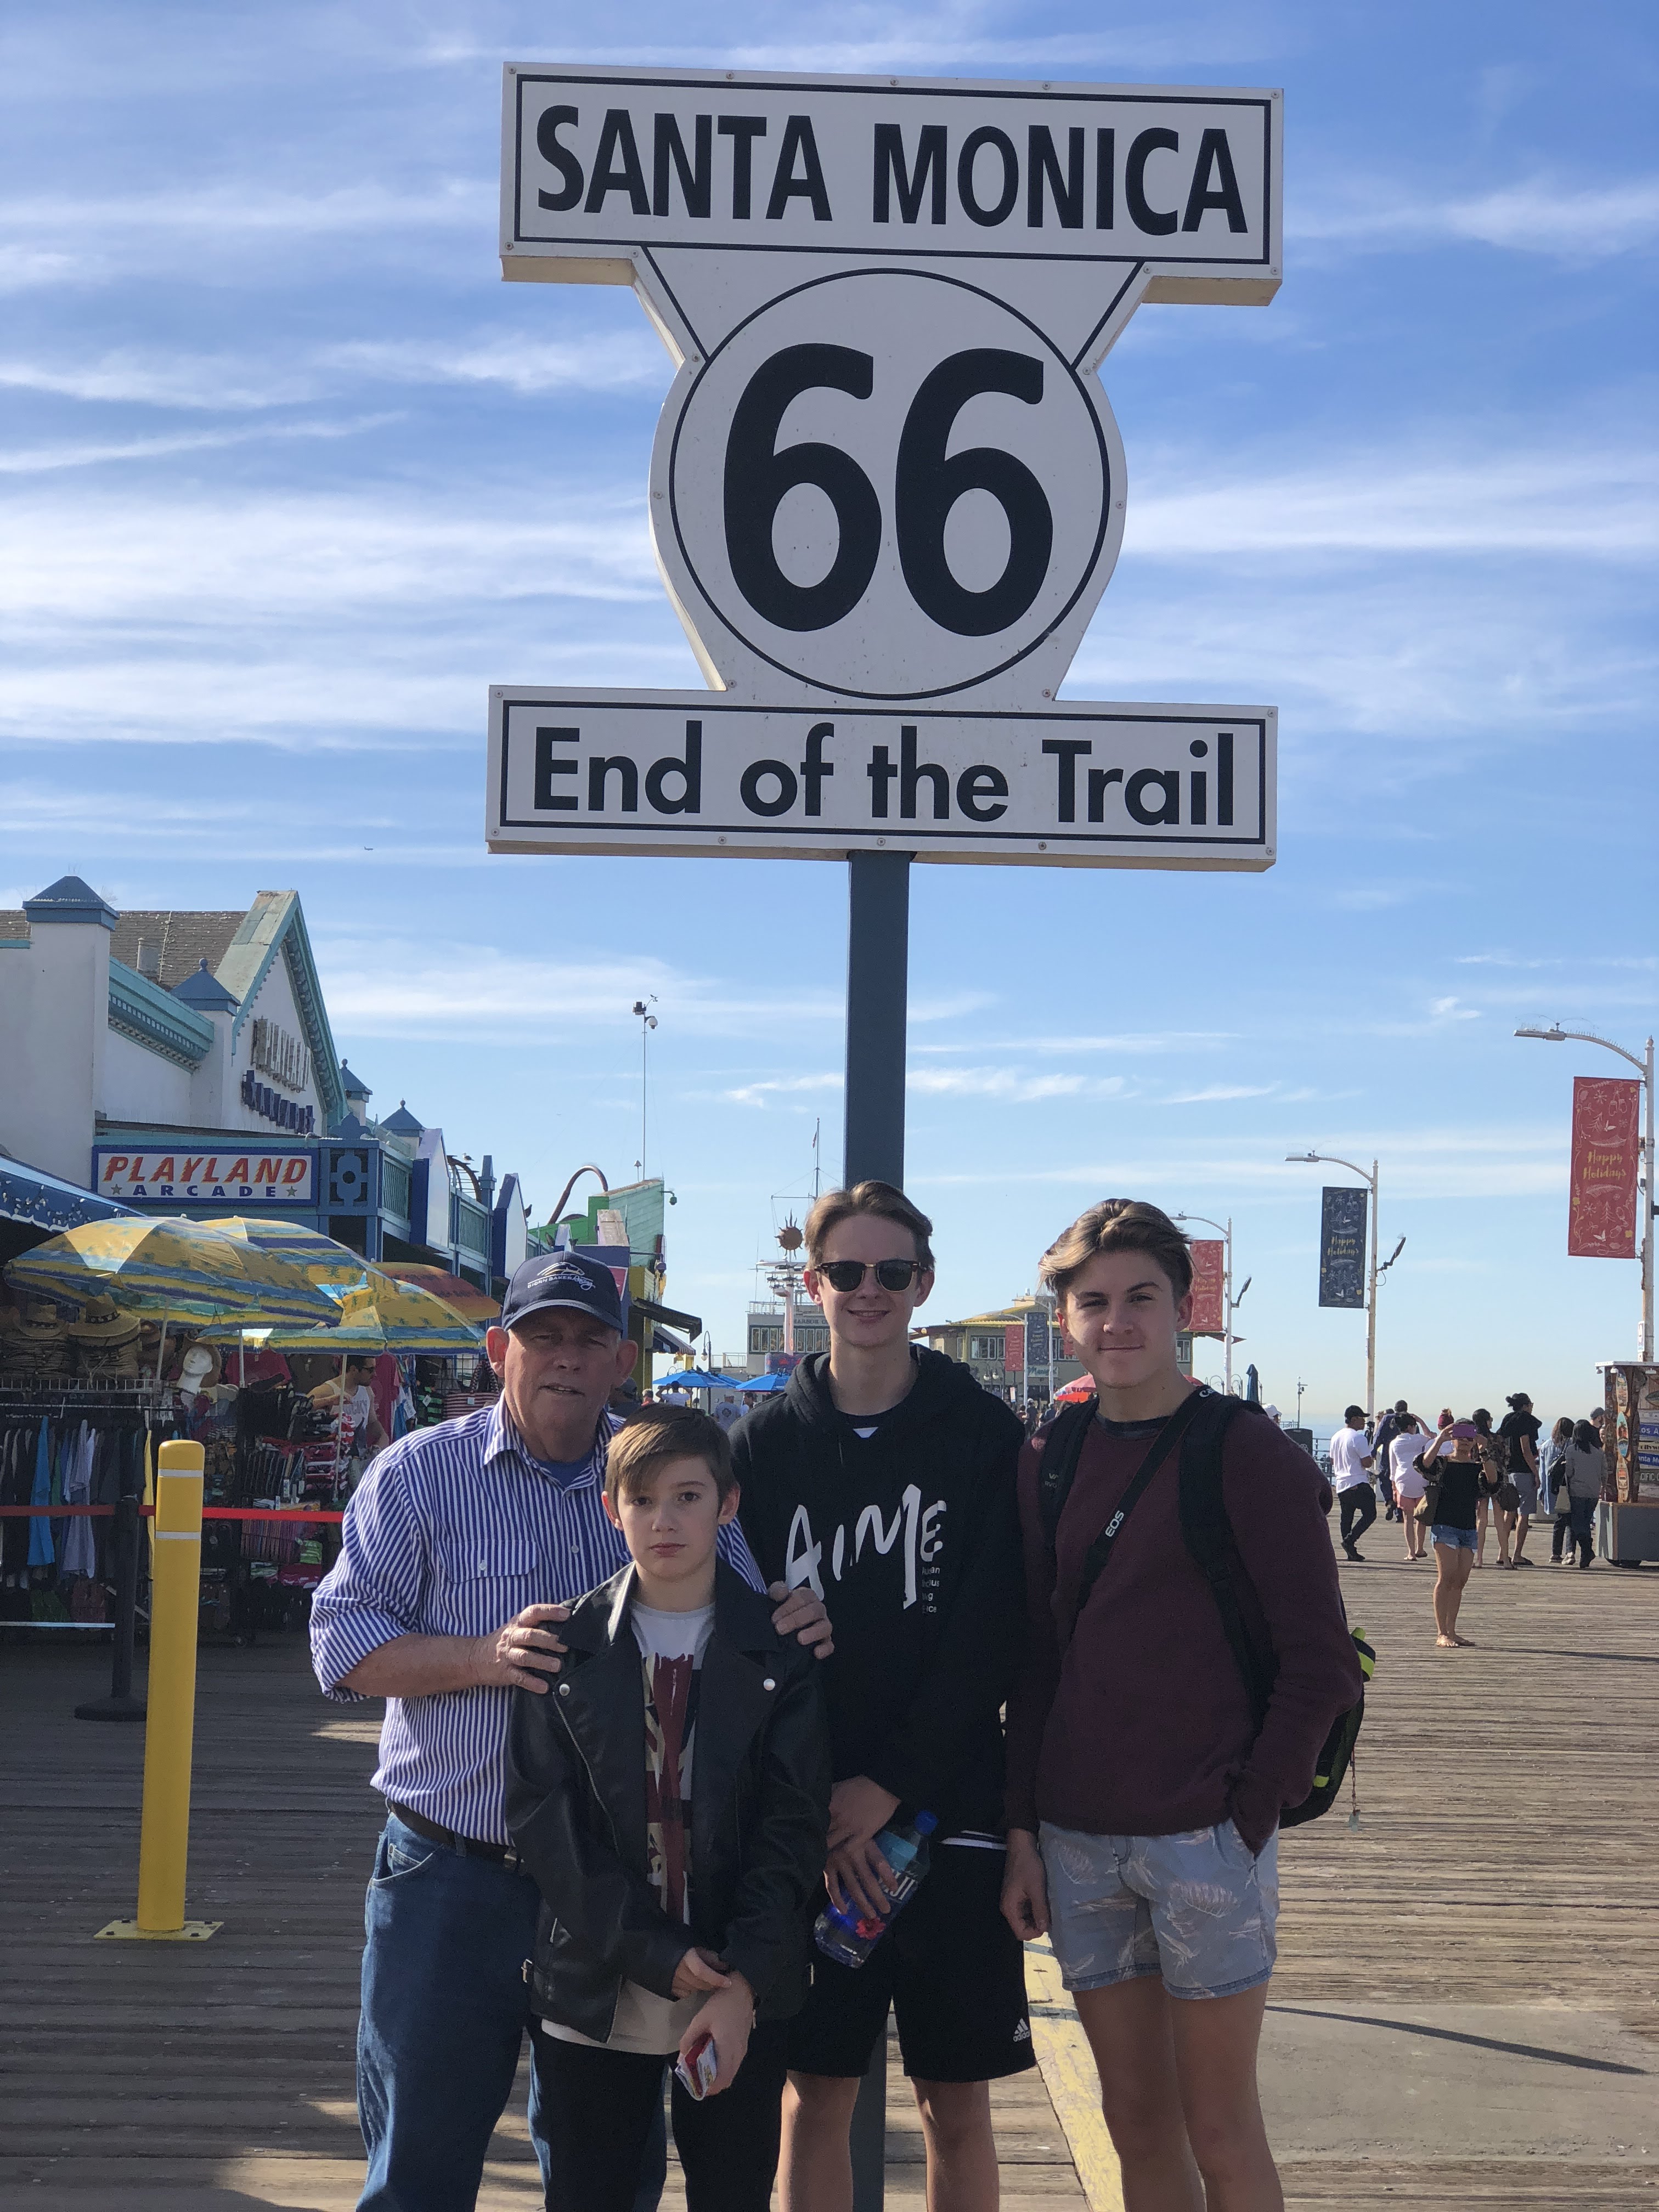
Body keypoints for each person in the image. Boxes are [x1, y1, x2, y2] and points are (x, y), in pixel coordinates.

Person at [308, 1250, 831, 2212]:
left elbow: (739, 1633)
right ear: (497, 1348)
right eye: (542, 1335)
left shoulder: (658, 1472)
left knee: (605, 2175)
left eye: (589, 1339)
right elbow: (341, 1648)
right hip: (454, 1876)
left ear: (620, 1360)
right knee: (418, 2161)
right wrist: (483, 1656)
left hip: (618, 1896)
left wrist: (791, 1616)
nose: (565, 1357)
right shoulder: (417, 1474)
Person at [1000, 1200, 1360, 2212]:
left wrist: (1247, 1812)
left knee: (1221, 2128)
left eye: (1140, 1298)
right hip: (1078, 1838)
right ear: (1064, 1319)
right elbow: (1036, 1659)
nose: (1116, 1322)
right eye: (1093, 1302)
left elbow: (1321, 1662)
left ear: (1183, 1309)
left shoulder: (1245, 1452)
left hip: (1207, 1835)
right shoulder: (1052, 1455)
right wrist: (1022, 1825)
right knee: (1135, 2123)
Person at [729, 1180, 1032, 2212]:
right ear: (811, 1284)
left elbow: (991, 1637)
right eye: (846, 1271)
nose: (868, 1290)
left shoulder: (983, 1434)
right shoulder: (760, 1446)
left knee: (956, 2101)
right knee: (813, 2094)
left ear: (923, 1283)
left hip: (952, 1815)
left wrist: (888, 1786)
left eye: (891, 1272)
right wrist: (820, 1807)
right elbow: (737, 1646)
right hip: (809, 1823)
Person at [505, 1404, 831, 2212]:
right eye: (643, 1499)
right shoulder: (564, 1648)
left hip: (735, 1978)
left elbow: (792, 1829)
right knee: (592, 2193)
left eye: (688, 1497)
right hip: (599, 1980)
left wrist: (743, 1978)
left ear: (728, 1504)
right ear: (610, 1509)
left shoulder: (781, 1650)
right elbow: (547, 1828)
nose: (665, 1520)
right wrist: (651, 1951)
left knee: (732, 2191)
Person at [1420, 1417, 1483, 1644]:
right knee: (1446, 1577)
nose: (1465, 1441)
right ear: (1453, 1438)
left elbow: (1494, 1482)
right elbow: (1424, 1466)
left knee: (1460, 1581)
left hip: (1468, 1528)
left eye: (1469, 1436)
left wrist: (1485, 1449)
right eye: (1460, 1436)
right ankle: (1442, 1633)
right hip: (1444, 1525)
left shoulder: (1478, 1467)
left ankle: (1452, 1631)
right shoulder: (1443, 1463)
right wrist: (1440, 1439)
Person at [1497, 1393, 1542, 1567]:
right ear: (1525, 1406)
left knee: (1509, 1512)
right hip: (1523, 1471)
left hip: (1508, 1471)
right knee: (1524, 1514)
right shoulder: (1526, 1421)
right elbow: (1526, 1449)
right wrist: (1535, 1473)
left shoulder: (1507, 1420)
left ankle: (1502, 1553)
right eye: (1531, 1404)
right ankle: (1517, 1554)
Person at [1329, 1406, 1376, 1560]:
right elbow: (1367, 1463)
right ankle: (1350, 1541)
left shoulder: (1336, 1437)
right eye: (1362, 1419)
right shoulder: (1358, 1438)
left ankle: (1350, 1552)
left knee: (1346, 1517)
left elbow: (1332, 1460)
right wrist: (1370, 1458)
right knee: (1370, 1514)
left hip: (1341, 1483)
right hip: (1357, 1481)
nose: (1364, 1422)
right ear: (1354, 1419)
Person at [1561, 1419, 1604, 1568]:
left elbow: (1569, 1472)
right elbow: (1604, 1473)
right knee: (1585, 1523)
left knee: (1577, 1524)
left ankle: (1587, 1550)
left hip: (1577, 1492)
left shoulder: (1571, 1450)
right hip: (1593, 1493)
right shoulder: (1599, 1452)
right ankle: (1586, 1553)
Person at [1470, 1408, 1509, 1567]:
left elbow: (1471, 1459)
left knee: (1482, 1520)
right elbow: (1507, 1458)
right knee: (1500, 1520)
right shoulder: (1498, 1439)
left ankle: (1479, 1559)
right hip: (1498, 1478)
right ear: (1486, 1421)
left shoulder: (1473, 1440)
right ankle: (1506, 1560)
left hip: (1479, 1480)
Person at [1387, 1415, 1429, 1560]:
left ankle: (1411, 1553)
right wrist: (1421, 1420)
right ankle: (1420, 1549)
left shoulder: (1394, 1443)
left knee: (1408, 1519)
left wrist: (1394, 1490)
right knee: (1421, 1518)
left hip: (1403, 1482)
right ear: (1411, 1426)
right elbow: (1431, 1436)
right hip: (1421, 1480)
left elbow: (1393, 1469)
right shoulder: (1419, 1439)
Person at [1370, 1400, 1411, 1521]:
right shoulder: (1410, 1420)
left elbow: (1378, 1436)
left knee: (1385, 1478)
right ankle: (1400, 1513)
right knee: (1401, 1482)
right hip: (1404, 1457)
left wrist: (1374, 1451)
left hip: (1388, 1454)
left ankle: (1389, 1501)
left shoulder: (1387, 1419)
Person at [1544, 1416, 1575, 1561]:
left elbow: (1544, 1471)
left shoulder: (1547, 1445)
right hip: (1568, 1486)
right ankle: (1570, 1552)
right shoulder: (1572, 1445)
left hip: (1554, 1488)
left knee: (1560, 1520)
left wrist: (1543, 1491)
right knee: (1569, 1520)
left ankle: (1556, 1553)